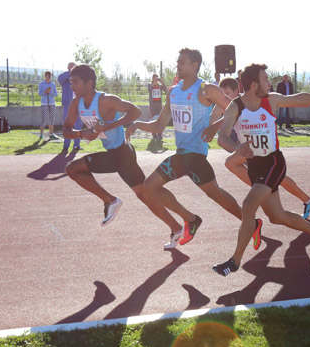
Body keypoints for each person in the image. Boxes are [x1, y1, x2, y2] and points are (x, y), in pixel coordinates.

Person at [212, 63, 310, 276]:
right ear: (254, 84)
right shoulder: (236, 107)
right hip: (254, 166)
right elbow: (222, 137)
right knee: (277, 216)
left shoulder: (271, 100)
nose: (269, 83)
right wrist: (237, 146)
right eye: (265, 79)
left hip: (273, 163)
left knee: (248, 206)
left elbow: (300, 98)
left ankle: (234, 261)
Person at [125, 48, 261, 249]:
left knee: (150, 186)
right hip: (184, 154)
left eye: (182, 62)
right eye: (178, 61)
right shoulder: (173, 92)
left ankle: (191, 219)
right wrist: (137, 125)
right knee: (215, 193)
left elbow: (236, 108)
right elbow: (160, 125)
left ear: (195, 65)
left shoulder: (206, 89)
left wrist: (215, 126)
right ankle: (250, 222)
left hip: (194, 154)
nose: (178, 65)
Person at [62, 64, 184, 243]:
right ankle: (176, 227)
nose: (72, 87)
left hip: (122, 154)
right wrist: (82, 134)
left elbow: (136, 111)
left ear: (89, 83)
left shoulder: (105, 100)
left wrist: (108, 125)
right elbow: (65, 130)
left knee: (73, 169)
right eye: (71, 82)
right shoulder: (76, 103)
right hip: (114, 154)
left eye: (76, 82)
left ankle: (112, 202)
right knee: (143, 194)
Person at [217, 77, 310, 219]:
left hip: (258, 148)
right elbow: (223, 119)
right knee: (234, 164)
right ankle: (306, 200)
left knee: (276, 178)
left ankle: (306, 200)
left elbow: (295, 100)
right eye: (222, 93)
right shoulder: (229, 105)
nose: (224, 96)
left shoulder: (246, 102)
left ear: (236, 90)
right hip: (247, 148)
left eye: (227, 92)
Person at [58, 62, 81, 151]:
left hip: (78, 105)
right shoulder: (64, 77)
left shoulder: (79, 77)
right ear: (68, 68)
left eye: (74, 67)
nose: (72, 68)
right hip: (68, 104)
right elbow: (60, 79)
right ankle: (66, 146)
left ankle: (76, 145)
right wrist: (70, 73)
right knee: (67, 125)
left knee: (78, 125)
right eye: (71, 67)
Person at [38, 71, 59, 141]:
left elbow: (56, 94)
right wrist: (45, 92)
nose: (48, 77)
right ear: (45, 76)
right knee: (44, 119)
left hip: (52, 103)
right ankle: (41, 134)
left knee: (52, 118)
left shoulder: (53, 84)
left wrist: (51, 92)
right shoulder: (41, 84)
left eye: (49, 76)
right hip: (44, 103)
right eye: (47, 76)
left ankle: (51, 133)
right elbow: (40, 93)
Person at [147, 73, 168, 140]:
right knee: (153, 119)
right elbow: (149, 89)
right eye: (155, 78)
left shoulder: (159, 86)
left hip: (159, 104)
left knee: (160, 119)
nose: (156, 80)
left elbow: (166, 89)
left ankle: (159, 133)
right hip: (152, 105)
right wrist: (154, 84)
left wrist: (162, 82)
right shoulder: (150, 85)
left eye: (157, 78)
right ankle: (154, 134)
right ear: (152, 79)